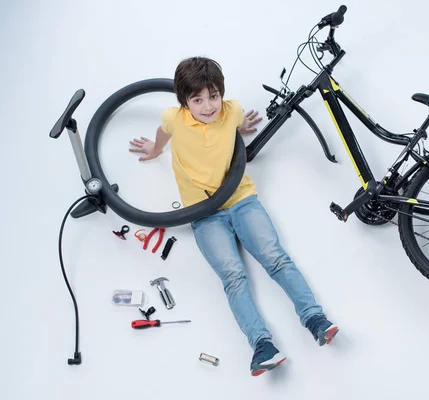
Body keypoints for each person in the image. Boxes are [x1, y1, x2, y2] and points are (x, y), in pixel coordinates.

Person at [129, 56, 338, 376]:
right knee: (233, 277)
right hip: (203, 214)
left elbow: (235, 118)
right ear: (184, 102)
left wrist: (241, 128)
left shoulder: (232, 111)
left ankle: (315, 319)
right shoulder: (174, 118)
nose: (208, 105)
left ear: (221, 94)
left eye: (213, 96)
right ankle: (262, 345)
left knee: (276, 258)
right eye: (197, 100)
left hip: (241, 199)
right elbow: (163, 131)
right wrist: (156, 151)